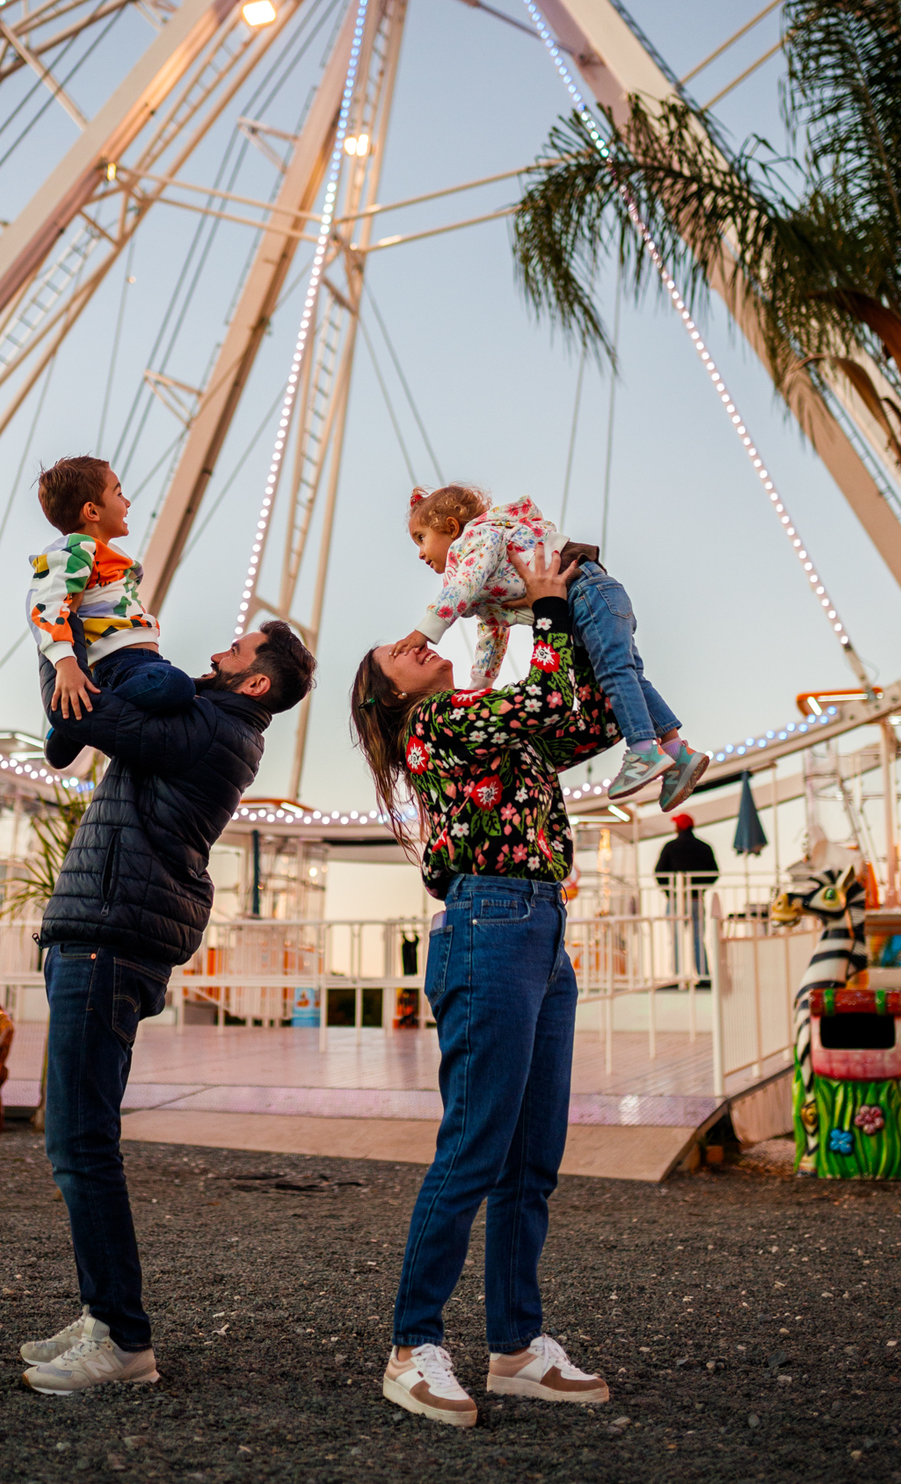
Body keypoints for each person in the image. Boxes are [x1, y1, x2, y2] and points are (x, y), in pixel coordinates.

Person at [351, 544, 617, 1428]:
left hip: (542, 927)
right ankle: (411, 1345)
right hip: (489, 926)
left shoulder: (476, 714)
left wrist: (582, 621)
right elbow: (544, 703)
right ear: (389, 695)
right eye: (398, 650)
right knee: (473, 1147)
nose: (418, 640)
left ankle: (514, 1346)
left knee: (531, 1158)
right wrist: (544, 609)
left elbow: (585, 724)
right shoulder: (441, 727)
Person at [20, 618, 316, 1396]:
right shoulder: (206, 722)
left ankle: (122, 1339)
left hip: (109, 938)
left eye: (238, 649)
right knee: (81, 1141)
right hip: (104, 932)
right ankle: (101, 1316)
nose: (219, 650)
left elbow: (75, 711)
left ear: (256, 682)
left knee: (81, 1144)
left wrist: (57, 631)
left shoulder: (211, 728)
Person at [392, 483, 708, 809]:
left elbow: (463, 586)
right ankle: (677, 752)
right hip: (591, 595)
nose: (419, 552)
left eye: (421, 538)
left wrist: (425, 632)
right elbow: (492, 630)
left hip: (583, 590)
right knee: (631, 676)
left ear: (451, 528)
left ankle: (643, 750)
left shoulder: (475, 542)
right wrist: (479, 684)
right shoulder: (484, 579)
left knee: (615, 670)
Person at [27, 455, 196, 770]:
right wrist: (66, 665)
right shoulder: (77, 551)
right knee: (176, 686)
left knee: (185, 694)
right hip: (116, 664)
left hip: (141, 663)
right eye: (118, 494)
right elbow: (47, 604)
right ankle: (75, 721)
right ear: (91, 511)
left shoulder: (109, 556)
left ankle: (76, 725)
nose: (127, 501)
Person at [654, 811, 719, 982]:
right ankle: (704, 976)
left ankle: (677, 977)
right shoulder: (704, 847)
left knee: (675, 940)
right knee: (698, 939)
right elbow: (714, 872)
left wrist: (670, 892)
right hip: (696, 899)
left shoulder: (670, 847)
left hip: (676, 900)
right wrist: (700, 888)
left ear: (678, 827)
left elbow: (659, 873)